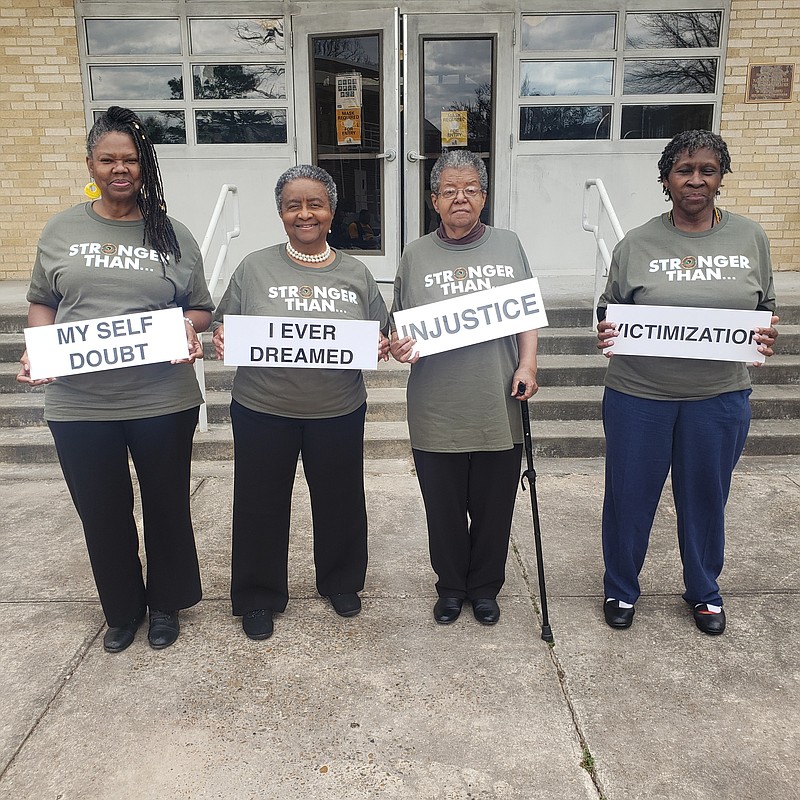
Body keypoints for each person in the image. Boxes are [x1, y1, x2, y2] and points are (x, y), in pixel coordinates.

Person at [17, 106, 213, 653]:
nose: (119, 169)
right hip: (80, 403)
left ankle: (167, 604)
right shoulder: (61, 228)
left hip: (161, 398)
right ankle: (122, 610)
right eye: (108, 159)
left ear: (144, 166)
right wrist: (39, 350)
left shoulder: (173, 233)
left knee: (166, 505)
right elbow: (42, 300)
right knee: (102, 512)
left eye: (130, 159)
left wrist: (186, 328)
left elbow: (199, 308)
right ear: (91, 164)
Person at [596, 130, 779, 635]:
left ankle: (703, 591)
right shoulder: (636, 242)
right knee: (629, 497)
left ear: (721, 178)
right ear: (665, 180)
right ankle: (620, 587)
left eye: (707, 170)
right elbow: (610, 306)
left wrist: (765, 333)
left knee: (705, 499)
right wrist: (606, 328)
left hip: (717, 397)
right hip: (639, 395)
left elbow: (763, 307)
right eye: (684, 170)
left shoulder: (750, 238)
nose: (695, 180)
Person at [212, 165, 390, 641]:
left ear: (332, 211)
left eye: (315, 204)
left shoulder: (356, 272)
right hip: (262, 407)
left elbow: (382, 332)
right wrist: (222, 335)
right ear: (281, 213)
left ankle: (341, 582)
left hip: (337, 408)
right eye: (294, 205)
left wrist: (380, 345)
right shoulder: (254, 267)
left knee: (341, 500)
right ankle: (257, 595)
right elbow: (222, 324)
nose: (305, 213)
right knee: (259, 503)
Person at [390, 150, 539, 626]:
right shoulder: (415, 254)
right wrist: (398, 348)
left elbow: (526, 316)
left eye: (471, 189)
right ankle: (451, 586)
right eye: (450, 191)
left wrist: (529, 366)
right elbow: (401, 326)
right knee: (445, 509)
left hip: (498, 396)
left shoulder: (509, 244)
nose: (461, 198)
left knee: (495, 508)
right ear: (434, 200)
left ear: (484, 197)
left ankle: (485, 587)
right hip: (437, 403)